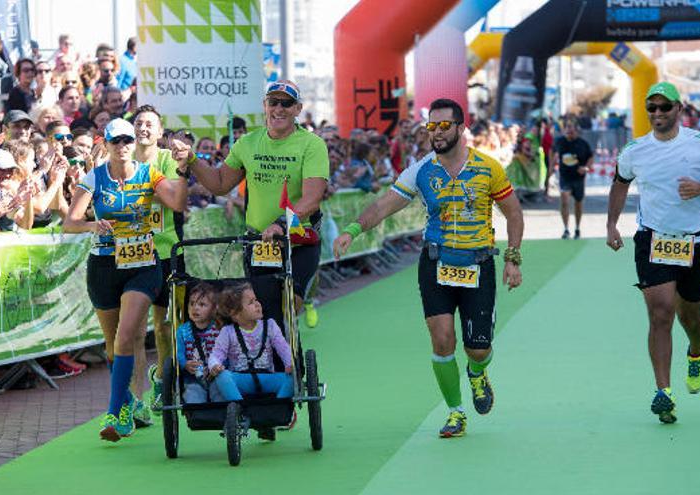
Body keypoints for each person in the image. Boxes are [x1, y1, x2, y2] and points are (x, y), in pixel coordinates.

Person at [333, 98, 524, 438]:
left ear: (461, 128)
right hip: (436, 263)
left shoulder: (488, 168)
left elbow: (513, 213)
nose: (435, 133)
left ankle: (478, 372)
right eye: (430, 126)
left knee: (477, 348)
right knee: (442, 340)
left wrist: (513, 257)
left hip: (478, 264)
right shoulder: (421, 170)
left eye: (443, 126)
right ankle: (455, 412)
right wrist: (352, 230)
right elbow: (383, 206)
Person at [606, 82, 700, 424]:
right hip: (652, 241)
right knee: (661, 313)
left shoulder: (699, 145)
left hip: (695, 242)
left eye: (664, 107)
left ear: (678, 109)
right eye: (651, 107)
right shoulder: (635, 150)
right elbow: (620, 183)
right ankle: (663, 392)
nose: (657, 113)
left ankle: (695, 351)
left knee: (690, 317)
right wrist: (612, 224)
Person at [63, 118, 187, 442]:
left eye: (127, 141)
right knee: (111, 345)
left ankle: (115, 414)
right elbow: (70, 223)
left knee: (126, 336)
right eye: (115, 141)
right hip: (103, 267)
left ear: (134, 143)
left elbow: (177, 203)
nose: (122, 147)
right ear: (105, 144)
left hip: (143, 266)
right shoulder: (95, 177)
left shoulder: (149, 175)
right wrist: (93, 225)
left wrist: (184, 173)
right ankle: (130, 403)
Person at [185, 80, 329, 310]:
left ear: (298, 109)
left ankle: (302, 312)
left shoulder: (312, 145)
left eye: (287, 103)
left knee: (287, 309)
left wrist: (281, 224)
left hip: (299, 241)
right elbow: (220, 184)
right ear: (265, 105)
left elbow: (311, 199)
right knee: (263, 313)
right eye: (274, 102)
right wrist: (192, 160)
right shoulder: (248, 143)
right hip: (260, 243)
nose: (279, 109)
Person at [129, 105, 186, 422]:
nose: (143, 128)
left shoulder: (166, 159)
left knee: (165, 328)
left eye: (150, 124)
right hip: (132, 253)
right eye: (138, 123)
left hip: (168, 253)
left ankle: (163, 383)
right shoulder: (122, 159)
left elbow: (174, 198)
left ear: (160, 132)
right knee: (136, 331)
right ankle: (137, 401)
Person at [208, 282, 294, 403]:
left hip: (268, 378)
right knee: (222, 377)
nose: (258, 304)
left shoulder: (270, 325)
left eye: (256, 300)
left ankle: (278, 407)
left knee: (293, 378)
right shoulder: (227, 332)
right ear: (235, 314)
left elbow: (283, 348)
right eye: (251, 302)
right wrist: (214, 365)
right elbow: (216, 355)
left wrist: (290, 363)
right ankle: (239, 408)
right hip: (241, 380)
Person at [176, 281, 222, 404]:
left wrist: (220, 367)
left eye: (202, 305)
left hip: (216, 377)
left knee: (220, 397)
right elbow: (178, 353)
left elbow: (227, 352)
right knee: (193, 398)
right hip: (193, 378)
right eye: (192, 304)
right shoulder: (183, 331)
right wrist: (185, 364)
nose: (195, 308)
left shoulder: (219, 329)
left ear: (214, 309)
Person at [553, 119, 593, 239]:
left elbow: (590, 158)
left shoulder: (583, 143)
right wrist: (551, 165)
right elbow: (552, 152)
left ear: (576, 131)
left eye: (571, 129)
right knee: (564, 199)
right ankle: (566, 229)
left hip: (578, 178)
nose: (569, 131)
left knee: (578, 203)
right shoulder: (560, 141)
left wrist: (586, 168)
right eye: (567, 129)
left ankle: (577, 228)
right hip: (565, 176)